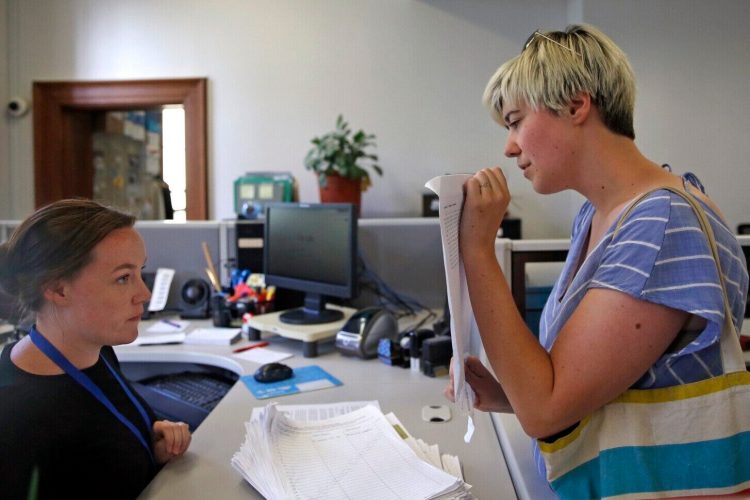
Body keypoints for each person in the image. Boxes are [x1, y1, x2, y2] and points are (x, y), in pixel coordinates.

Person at [445, 24, 750, 497]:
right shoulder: (601, 213)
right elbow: (602, 385)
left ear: (575, 105)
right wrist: (508, 396)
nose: (508, 147)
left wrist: (477, 250)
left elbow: (545, 409)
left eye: (514, 120)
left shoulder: (663, 224)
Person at [0, 199, 191, 499]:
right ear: (58, 289)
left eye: (140, 272)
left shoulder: (95, 351)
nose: (144, 293)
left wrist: (149, 446)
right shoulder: (16, 417)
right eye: (123, 278)